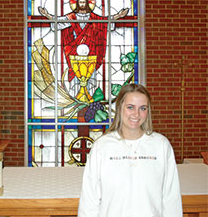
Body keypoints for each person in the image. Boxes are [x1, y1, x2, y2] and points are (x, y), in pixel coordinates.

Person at [78, 83, 183, 217]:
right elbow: (90, 200)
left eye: (143, 108)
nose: (136, 114)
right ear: (120, 107)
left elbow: (171, 198)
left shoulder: (160, 145)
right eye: (130, 107)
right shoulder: (102, 146)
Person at [38, 0, 129, 82]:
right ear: (77, 4)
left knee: (91, 75)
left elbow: (105, 22)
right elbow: (58, 21)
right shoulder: (72, 17)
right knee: (75, 75)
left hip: (91, 52)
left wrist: (118, 16)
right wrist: (46, 15)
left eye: (84, 2)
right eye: (80, 2)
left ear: (87, 3)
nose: (82, 4)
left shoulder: (93, 18)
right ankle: (74, 96)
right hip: (74, 51)